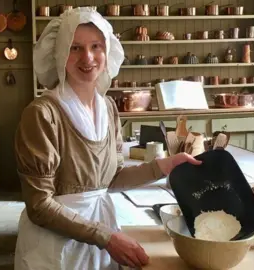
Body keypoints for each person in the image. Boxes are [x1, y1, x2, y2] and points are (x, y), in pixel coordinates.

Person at [13, 7, 201, 270]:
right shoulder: (43, 114)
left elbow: (110, 180)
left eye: (96, 46)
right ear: (58, 53)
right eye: (75, 47)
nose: (87, 57)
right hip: (56, 247)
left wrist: (165, 166)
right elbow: (39, 205)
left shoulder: (108, 108)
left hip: (101, 238)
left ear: (107, 50)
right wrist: (106, 237)